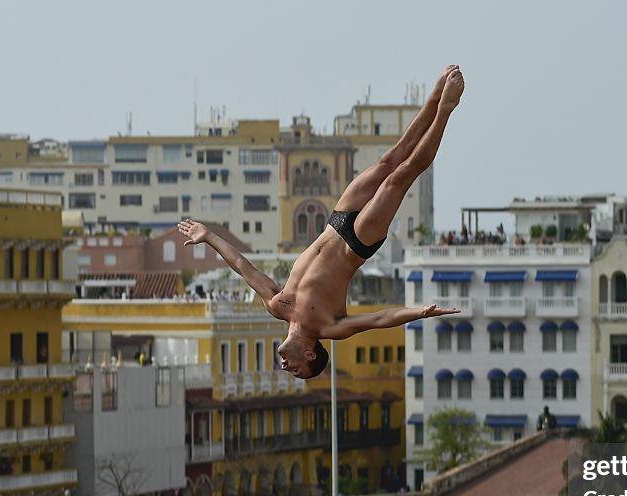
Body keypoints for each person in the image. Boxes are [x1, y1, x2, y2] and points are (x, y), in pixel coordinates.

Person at [178, 65, 466, 379]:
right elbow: (380, 318)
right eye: (298, 370)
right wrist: (421, 312)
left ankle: (435, 96)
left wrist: (208, 236)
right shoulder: (330, 327)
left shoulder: (277, 306)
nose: (287, 368)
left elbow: (245, 268)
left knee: (389, 160)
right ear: (310, 353)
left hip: (336, 221)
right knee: (400, 177)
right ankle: (446, 110)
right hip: (356, 242)